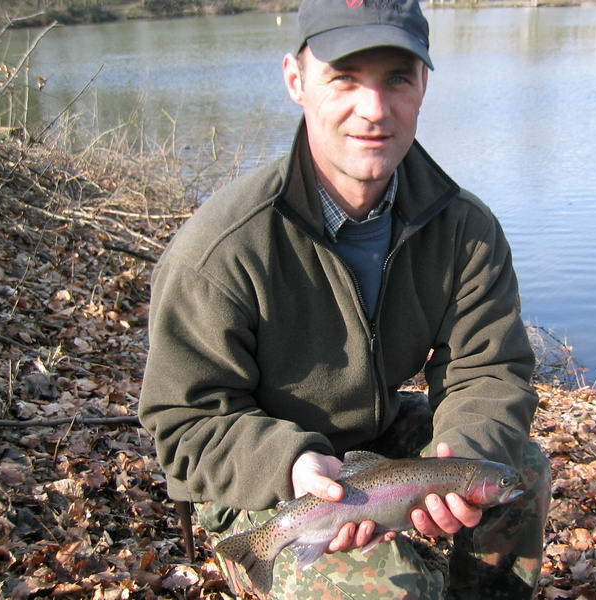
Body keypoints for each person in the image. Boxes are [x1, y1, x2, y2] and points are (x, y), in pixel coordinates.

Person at [138, 0, 550, 597]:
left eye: (397, 79)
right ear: (295, 80)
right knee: (385, 590)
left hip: (378, 447)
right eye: (344, 78)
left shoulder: (464, 230)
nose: (374, 110)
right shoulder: (220, 250)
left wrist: (459, 459)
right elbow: (184, 424)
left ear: (424, 85)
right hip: (260, 488)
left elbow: (488, 372)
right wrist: (291, 464)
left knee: (519, 472)